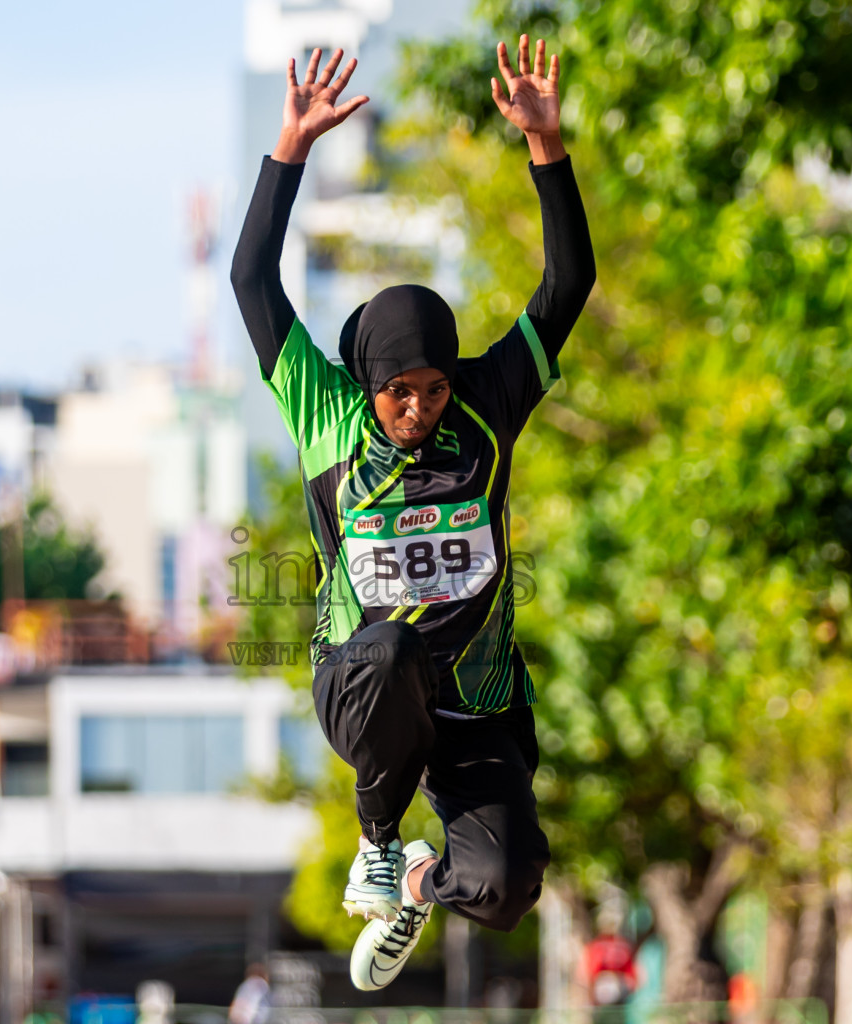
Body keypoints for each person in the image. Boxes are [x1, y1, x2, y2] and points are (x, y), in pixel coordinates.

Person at [231, 33, 595, 992]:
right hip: (365, 684)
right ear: (369, 383)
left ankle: (423, 885)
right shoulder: (327, 414)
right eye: (401, 394)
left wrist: (546, 151)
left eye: (434, 391)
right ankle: (381, 846)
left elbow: (566, 288)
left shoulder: (488, 403)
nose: (419, 411)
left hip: (475, 708)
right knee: (394, 645)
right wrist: (290, 151)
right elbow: (253, 285)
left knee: (510, 882)